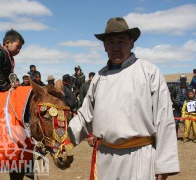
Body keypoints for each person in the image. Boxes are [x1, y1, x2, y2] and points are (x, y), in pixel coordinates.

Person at [68, 17, 179, 179]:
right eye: (111, 42)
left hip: (139, 158)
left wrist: (163, 166)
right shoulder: (99, 77)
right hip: (105, 158)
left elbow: (164, 119)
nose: (116, 47)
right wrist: (63, 138)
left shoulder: (149, 72)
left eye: (121, 41)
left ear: (132, 42)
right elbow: (85, 115)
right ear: (105, 47)